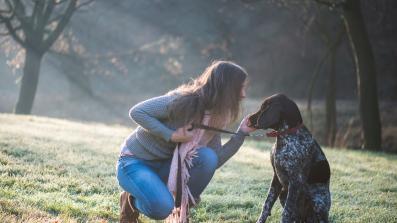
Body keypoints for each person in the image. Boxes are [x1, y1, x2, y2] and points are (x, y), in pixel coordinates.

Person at [116, 60, 256, 223]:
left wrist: (241, 134)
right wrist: (171, 135)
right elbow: (138, 112)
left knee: (207, 157)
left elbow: (213, 160)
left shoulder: (217, 116)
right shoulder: (181, 101)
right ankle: (130, 201)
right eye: (240, 88)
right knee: (161, 208)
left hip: (169, 167)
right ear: (226, 88)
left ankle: (182, 207)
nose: (243, 95)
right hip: (136, 162)